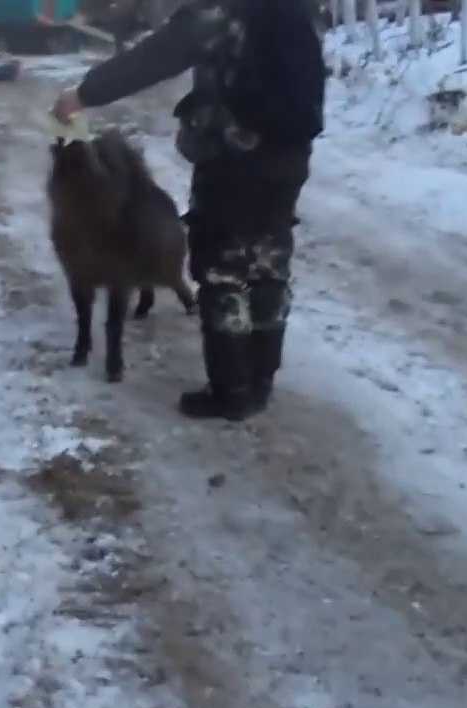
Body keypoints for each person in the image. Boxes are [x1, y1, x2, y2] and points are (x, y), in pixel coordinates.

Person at [49, 0, 325, 421]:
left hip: (234, 157)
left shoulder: (220, 12)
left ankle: (231, 391)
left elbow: (153, 58)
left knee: (223, 268)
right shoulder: (295, 8)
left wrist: (83, 94)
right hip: (289, 155)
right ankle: (261, 379)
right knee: (270, 258)